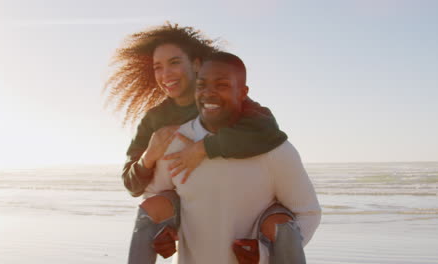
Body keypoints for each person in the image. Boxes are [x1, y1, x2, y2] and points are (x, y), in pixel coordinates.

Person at [104, 23, 288, 263]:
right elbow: (131, 184)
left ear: (197, 64)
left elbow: (266, 130)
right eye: (157, 67)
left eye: (174, 62)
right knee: (149, 211)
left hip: (237, 207)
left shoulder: (221, 101)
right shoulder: (155, 119)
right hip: (184, 206)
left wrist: (203, 149)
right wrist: (150, 154)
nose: (165, 74)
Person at [144, 52, 321, 263]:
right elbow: (154, 196)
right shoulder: (176, 141)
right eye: (201, 85)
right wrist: (165, 231)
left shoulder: (273, 149)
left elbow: (307, 213)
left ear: (242, 92)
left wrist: (266, 255)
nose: (208, 94)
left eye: (222, 85)